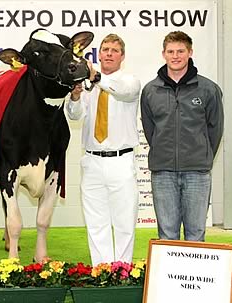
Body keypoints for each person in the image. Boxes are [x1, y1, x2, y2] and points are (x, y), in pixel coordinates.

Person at [140, 31, 224, 241]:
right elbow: (151, 131)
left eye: (180, 51)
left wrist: (200, 156)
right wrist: (164, 152)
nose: (175, 56)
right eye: (171, 51)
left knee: (196, 234)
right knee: (167, 234)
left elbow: (215, 129)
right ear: (164, 54)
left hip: (197, 172)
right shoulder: (150, 90)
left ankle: (194, 274)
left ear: (190, 52)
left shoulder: (208, 89)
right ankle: (170, 275)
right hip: (163, 173)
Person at [66, 34, 141, 265]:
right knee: (96, 222)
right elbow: (74, 115)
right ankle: (102, 270)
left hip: (121, 160)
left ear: (122, 56)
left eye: (114, 50)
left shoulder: (129, 81)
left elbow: (121, 91)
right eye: (105, 49)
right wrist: (76, 96)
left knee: (124, 222)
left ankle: (123, 270)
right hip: (92, 160)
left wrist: (95, 77)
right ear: (98, 55)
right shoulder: (89, 86)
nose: (108, 53)